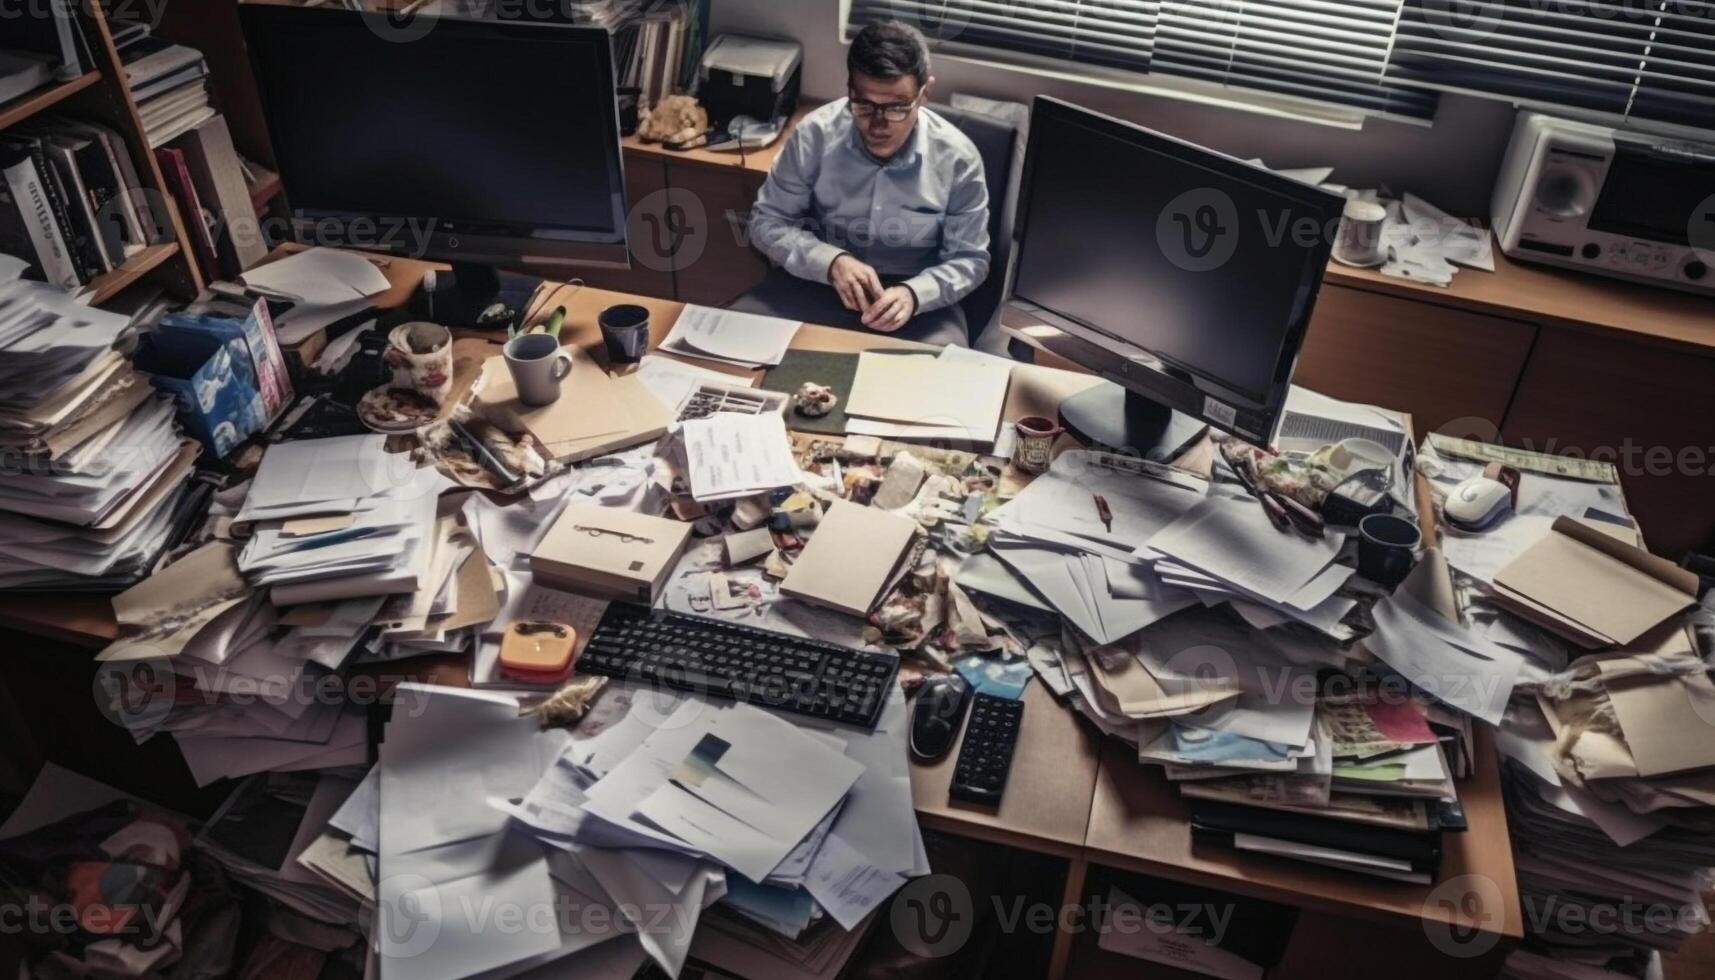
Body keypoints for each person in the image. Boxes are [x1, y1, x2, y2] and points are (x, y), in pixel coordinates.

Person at [733, 21, 990, 348]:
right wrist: (831, 262)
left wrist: (914, 293)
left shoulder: (959, 159)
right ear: (849, 89)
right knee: (734, 349)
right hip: (817, 283)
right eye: (864, 105)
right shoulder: (814, 136)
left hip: (917, 304)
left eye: (897, 107)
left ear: (925, 93)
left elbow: (970, 259)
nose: (879, 124)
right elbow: (766, 223)